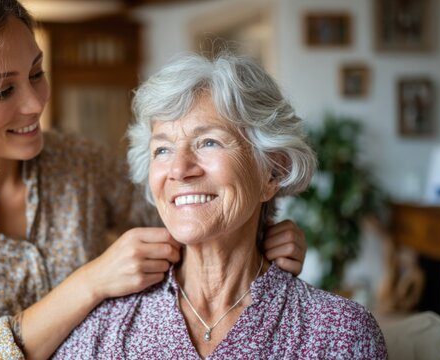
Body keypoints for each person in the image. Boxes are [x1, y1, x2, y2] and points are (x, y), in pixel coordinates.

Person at [0, 1, 308, 359]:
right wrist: (90, 282)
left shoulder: (82, 161)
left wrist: (262, 239)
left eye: (37, 74)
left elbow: (189, 215)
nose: (35, 103)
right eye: (4, 91)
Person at [53, 53, 387, 359]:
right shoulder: (105, 325)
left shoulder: (340, 334)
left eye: (208, 142)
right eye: (163, 149)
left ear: (272, 172)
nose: (179, 170)